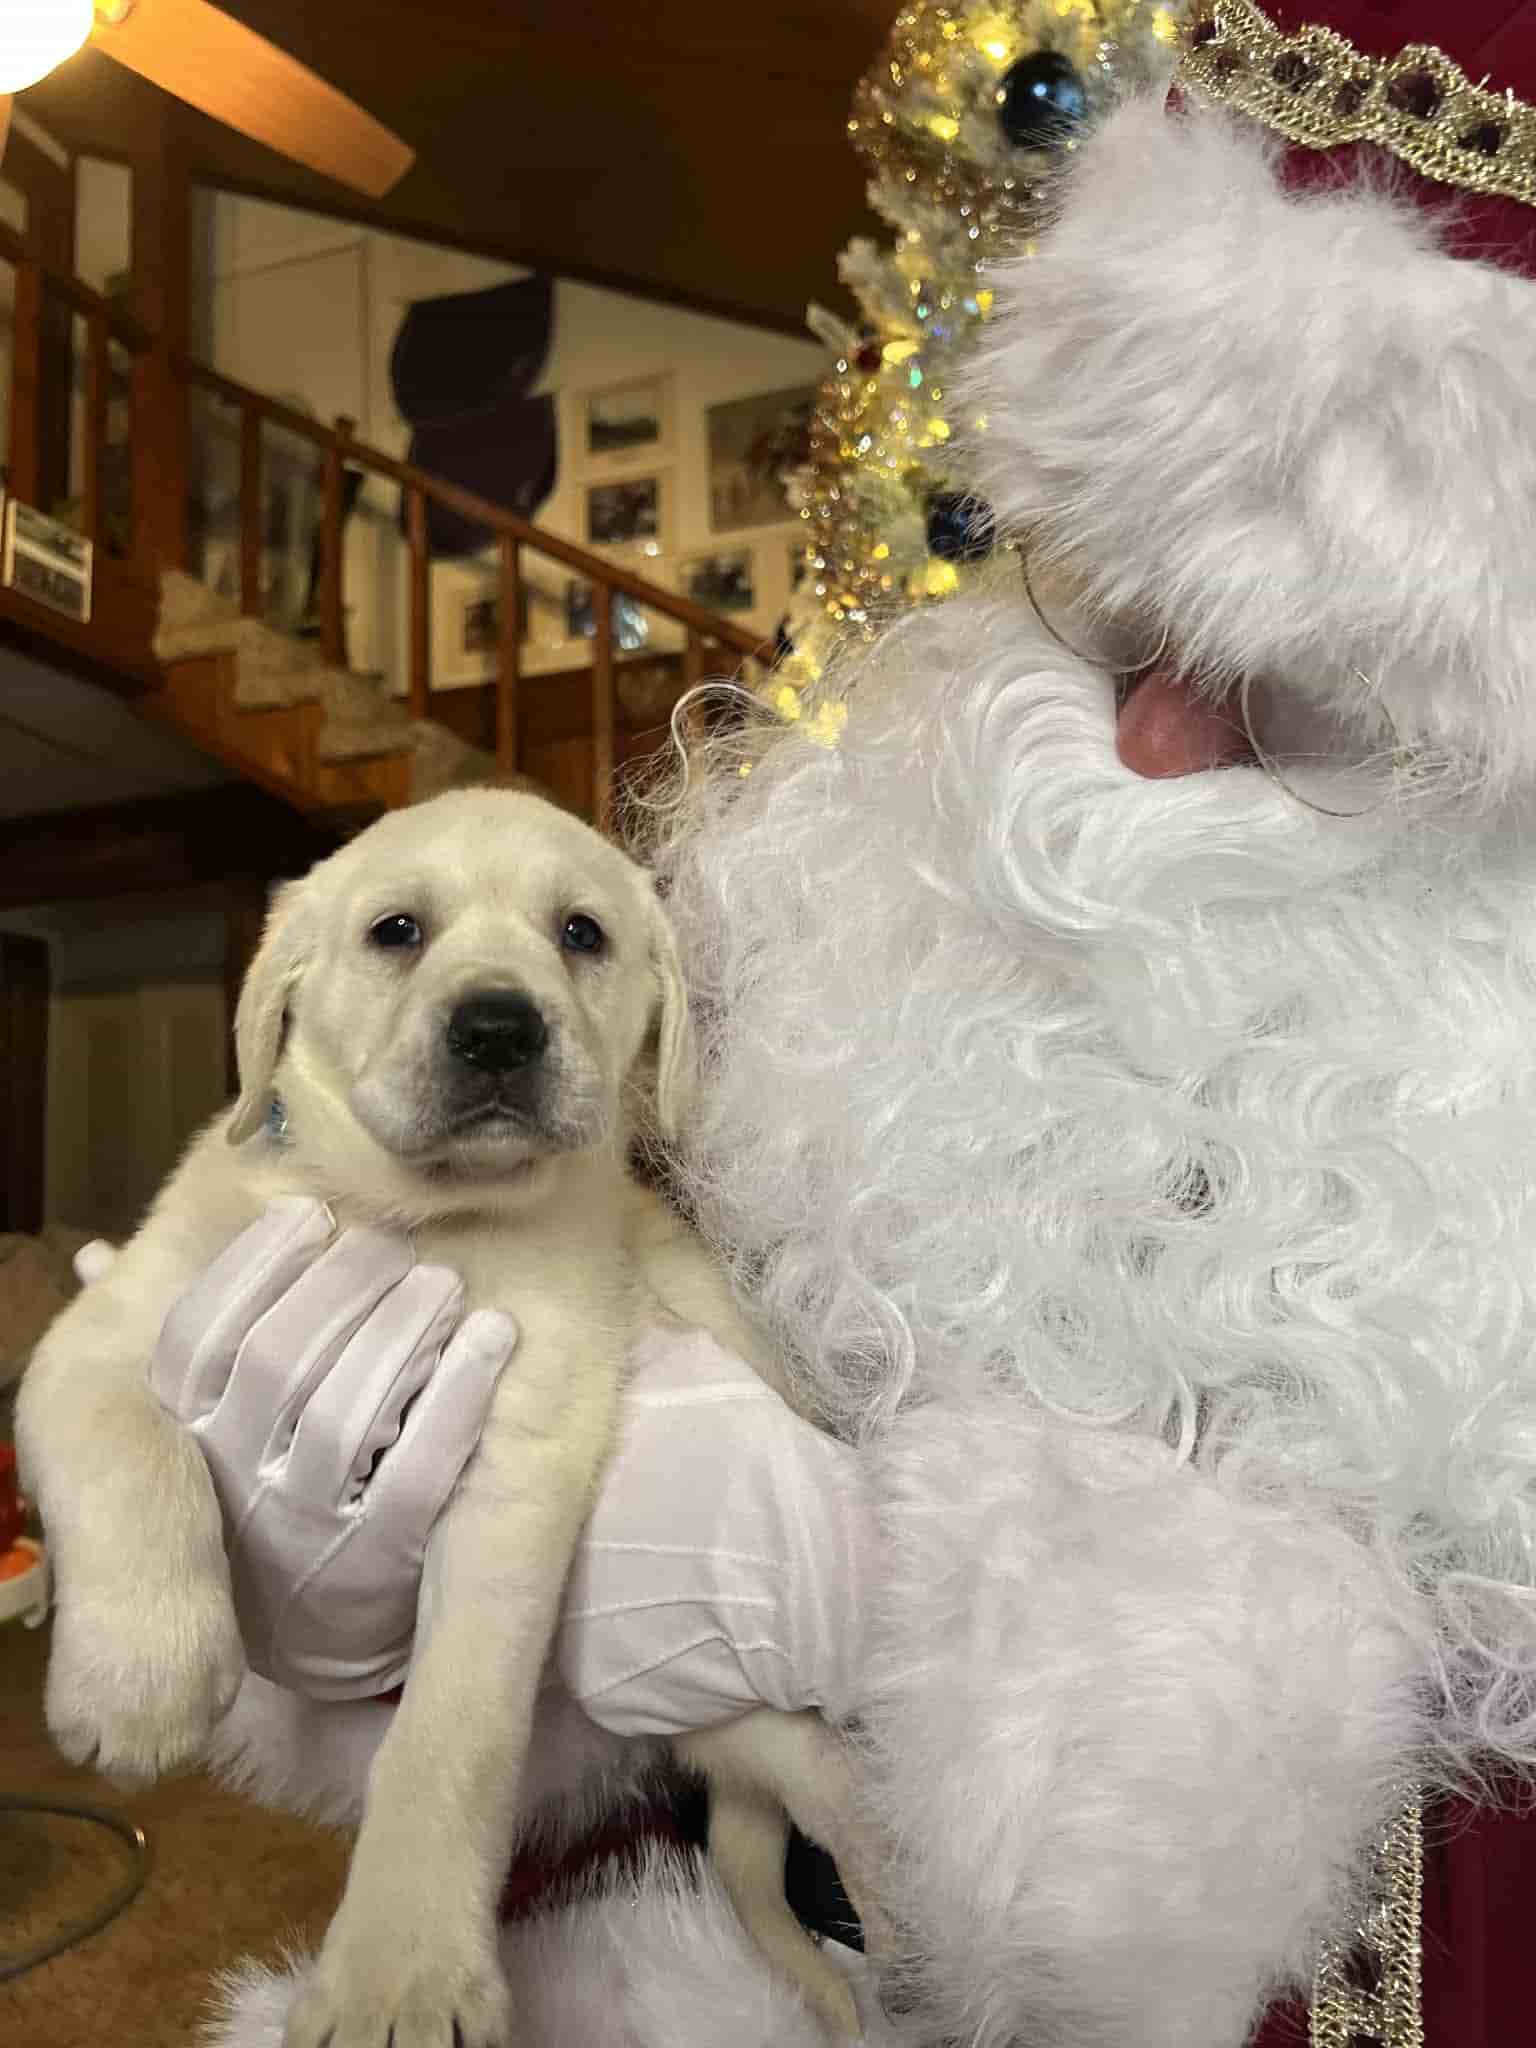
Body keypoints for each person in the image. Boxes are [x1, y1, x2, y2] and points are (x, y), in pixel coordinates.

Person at [77, 1, 1536, 2040]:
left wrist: (972, 1636)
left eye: (1302, 683)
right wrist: (366, 1630)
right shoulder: (819, 1021)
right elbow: (606, 1732)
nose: (1135, 738)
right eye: (1105, 595)